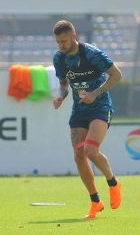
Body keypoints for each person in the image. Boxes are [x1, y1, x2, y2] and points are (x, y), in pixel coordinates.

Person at [52, 20, 122, 218]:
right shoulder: (60, 58)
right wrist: (60, 96)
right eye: (58, 42)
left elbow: (116, 75)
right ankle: (95, 202)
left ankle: (113, 183)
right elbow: (64, 84)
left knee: (91, 150)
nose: (61, 46)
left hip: (100, 106)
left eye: (64, 41)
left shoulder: (92, 54)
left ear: (74, 37)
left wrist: (95, 93)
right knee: (79, 156)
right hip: (79, 109)